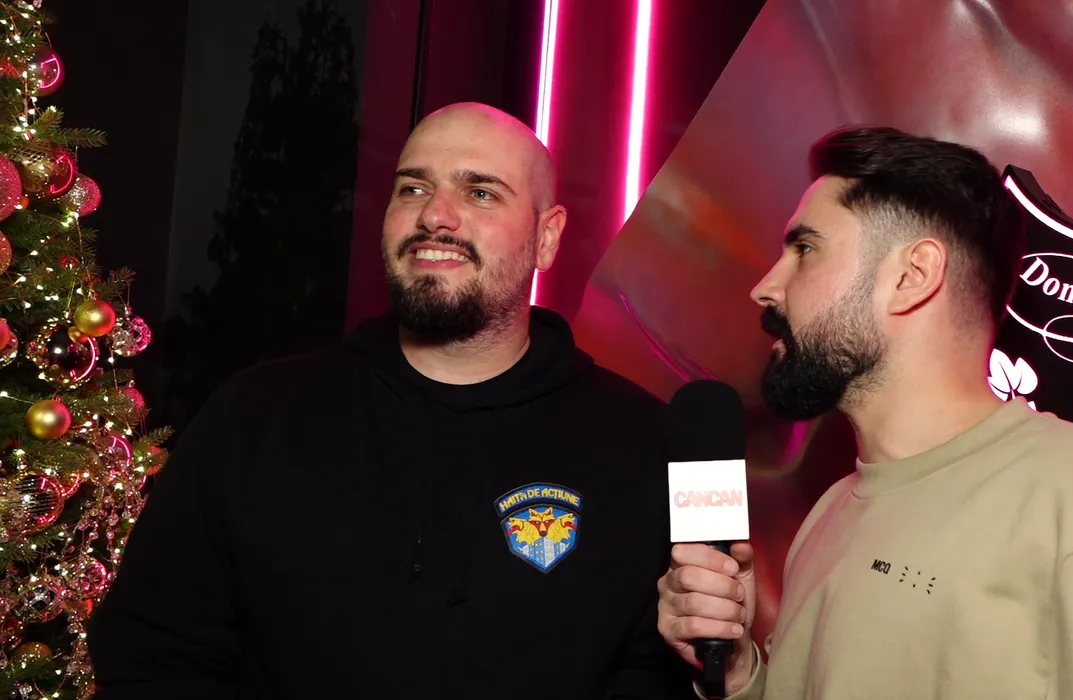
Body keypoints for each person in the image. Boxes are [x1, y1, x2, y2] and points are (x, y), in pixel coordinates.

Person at [88, 102, 695, 699]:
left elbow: (658, 673)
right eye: (413, 188)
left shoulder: (640, 444)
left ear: (547, 237)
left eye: (481, 192)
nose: (435, 216)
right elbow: (152, 654)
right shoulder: (257, 417)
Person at [656, 126, 1073, 699]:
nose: (765, 287)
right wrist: (740, 674)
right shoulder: (829, 514)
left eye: (805, 249)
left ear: (912, 277)